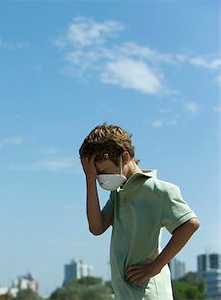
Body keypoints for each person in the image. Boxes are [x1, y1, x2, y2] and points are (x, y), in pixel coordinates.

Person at [79, 122, 200, 299]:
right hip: (125, 294)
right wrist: (90, 181)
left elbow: (190, 224)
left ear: (125, 157)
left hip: (149, 293)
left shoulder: (159, 190)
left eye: (103, 172)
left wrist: (155, 266)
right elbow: (96, 228)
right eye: (96, 175)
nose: (100, 179)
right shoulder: (118, 195)